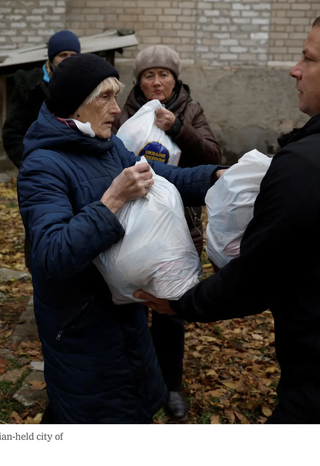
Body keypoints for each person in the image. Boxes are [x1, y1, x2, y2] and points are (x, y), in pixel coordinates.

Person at [137, 5, 320, 423]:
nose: (294, 69)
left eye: (309, 57)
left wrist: (183, 304)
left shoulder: (314, 162)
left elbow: (259, 273)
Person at [17, 53, 224, 424]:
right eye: (105, 97)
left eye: (116, 96)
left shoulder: (108, 145)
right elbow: (51, 255)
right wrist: (113, 199)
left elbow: (158, 176)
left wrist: (216, 178)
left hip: (123, 314)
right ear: (75, 106)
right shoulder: (42, 165)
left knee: (127, 404)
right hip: (81, 325)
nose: (116, 108)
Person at [111, 44, 223, 421]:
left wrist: (179, 129)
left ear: (175, 79)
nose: (157, 82)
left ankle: (171, 384)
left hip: (179, 221)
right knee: (125, 301)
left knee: (171, 306)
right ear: (138, 82)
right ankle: (133, 379)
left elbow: (212, 156)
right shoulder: (122, 111)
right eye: (148, 75)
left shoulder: (190, 110)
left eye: (164, 74)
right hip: (131, 222)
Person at [1, 29, 81, 168]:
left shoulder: (85, 84)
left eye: (73, 55)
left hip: (76, 165)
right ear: (52, 58)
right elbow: (13, 133)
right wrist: (28, 163)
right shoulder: (31, 86)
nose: (68, 59)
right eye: (62, 55)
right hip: (40, 165)